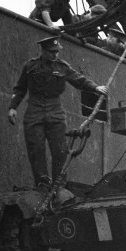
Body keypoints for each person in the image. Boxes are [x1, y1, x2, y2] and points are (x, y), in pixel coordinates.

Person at [8, 37, 108, 187]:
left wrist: (95, 87)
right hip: (34, 110)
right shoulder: (30, 66)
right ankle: (42, 183)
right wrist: (13, 107)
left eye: (57, 52)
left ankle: (58, 185)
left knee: (60, 150)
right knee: (36, 149)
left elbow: (79, 80)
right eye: (51, 52)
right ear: (42, 51)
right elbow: (20, 88)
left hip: (55, 110)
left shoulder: (63, 67)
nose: (55, 55)